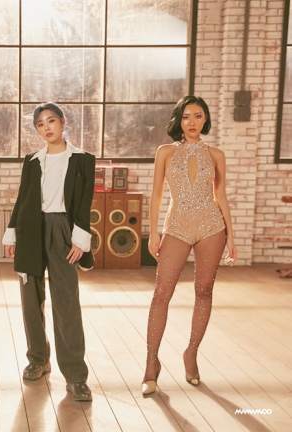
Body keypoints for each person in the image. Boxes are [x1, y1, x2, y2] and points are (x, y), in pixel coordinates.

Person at [141, 95, 237, 396]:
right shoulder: (166, 152)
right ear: (178, 121)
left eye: (198, 116)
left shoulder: (216, 155)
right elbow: (157, 194)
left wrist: (232, 236)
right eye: (186, 117)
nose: (192, 122)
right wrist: (153, 233)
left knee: (204, 291)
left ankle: (191, 353)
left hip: (211, 227)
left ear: (205, 119)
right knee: (161, 293)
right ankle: (151, 363)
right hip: (177, 226)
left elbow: (221, 196)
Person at [2, 102, 95, 402]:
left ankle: (76, 376)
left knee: (66, 301)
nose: (46, 128)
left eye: (51, 121)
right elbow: (22, 198)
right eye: (40, 124)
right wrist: (12, 231)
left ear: (63, 122)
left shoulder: (83, 160)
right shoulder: (32, 161)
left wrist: (80, 238)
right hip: (31, 229)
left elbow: (85, 201)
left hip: (63, 229)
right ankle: (38, 359)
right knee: (30, 298)